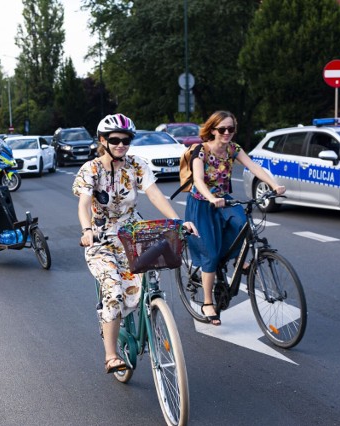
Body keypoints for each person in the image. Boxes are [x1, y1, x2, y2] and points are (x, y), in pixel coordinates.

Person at [73, 113, 197, 374]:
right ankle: (110, 354)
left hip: (132, 234)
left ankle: (143, 322)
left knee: (143, 285)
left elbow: (154, 194)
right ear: (103, 140)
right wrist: (87, 230)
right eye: (115, 140)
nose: (121, 145)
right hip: (100, 237)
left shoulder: (137, 165)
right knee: (114, 290)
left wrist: (177, 221)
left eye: (127, 140)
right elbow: (84, 203)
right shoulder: (91, 169)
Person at [186, 111, 285, 326]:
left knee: (242, 223)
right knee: (210, 255)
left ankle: (237, 259)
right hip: (202, 203)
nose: (227, 133)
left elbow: (254, 167)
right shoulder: (200, 151)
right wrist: (211, 197)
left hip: (224, 200)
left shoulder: (233, 149)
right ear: (212, 130)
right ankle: (207, 302)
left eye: (231, 129)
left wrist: (273, 184)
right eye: (222, 129)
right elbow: (198, 180)